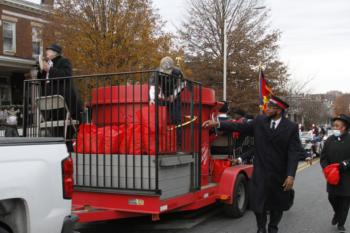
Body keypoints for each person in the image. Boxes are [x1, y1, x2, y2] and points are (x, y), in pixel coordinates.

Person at [203, 95, 302, 233]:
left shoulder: (291, 128)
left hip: (279, 173)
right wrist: (218, 124)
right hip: (260, 172)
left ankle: (273, 227)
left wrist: (290, 175)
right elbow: (239, 126)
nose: (266, 109)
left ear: (278, 110)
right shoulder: (260, 121)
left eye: (270, 107)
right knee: (257, 204)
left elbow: (294, 153)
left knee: (277, 205)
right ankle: (261, 228)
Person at [37, 43, 82, 138]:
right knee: (55, 126)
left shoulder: (64, 61)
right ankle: (58, 143)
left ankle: (67, 146)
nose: (46, 52)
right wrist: (42, 70)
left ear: (55, 53)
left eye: (48, 50)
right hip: (51, 101)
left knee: (65, 126)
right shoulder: (47, 63)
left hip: (64, 99)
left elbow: (66, 74)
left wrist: (50, 69)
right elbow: (42, 81)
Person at [320, 114, 350, 233]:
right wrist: (326, 168)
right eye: (334, 126)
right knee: (332, 197)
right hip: (332, 176)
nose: (334, 128)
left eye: (337, 126)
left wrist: (345, 164)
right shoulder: (329, 140)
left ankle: (341, 223)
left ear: (344, 127)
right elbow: (323, 157)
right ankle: (337, 214)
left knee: (345, 201)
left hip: (347, 177)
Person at [150, 56, 186, 151]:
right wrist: (153, 99)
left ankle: (178, 145)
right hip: (161, 96)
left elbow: (183, 84)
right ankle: (158, 145)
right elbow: (153, 87)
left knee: (177, 119)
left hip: (174, 96)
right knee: (159, 120)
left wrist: (174, 94)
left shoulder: (177, 72)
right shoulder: (156, 72)